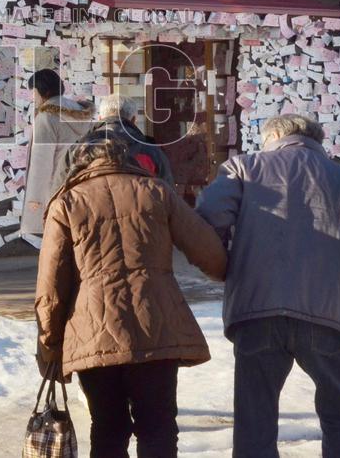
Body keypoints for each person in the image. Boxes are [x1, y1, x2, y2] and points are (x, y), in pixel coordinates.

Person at [196, 114, 340, 458]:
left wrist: (224, 270)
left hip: (257, 312)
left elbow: (207, 221)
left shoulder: (244, 169)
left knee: (255, 422)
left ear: (276, 135)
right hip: (332, 315)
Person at [35, 137, 227, 458]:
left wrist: (49, 346)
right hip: (156, 324)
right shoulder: (156, 192)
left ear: (79, 165)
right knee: (159, 425)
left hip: (94, 330)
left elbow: (50, 287)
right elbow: (208, 250)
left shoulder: (67, 203)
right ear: (126, 159)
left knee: (108, 427)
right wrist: (228, 271)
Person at [22, 68, 93, 234]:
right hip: (84, 185)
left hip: (56, 189)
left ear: (43, 92)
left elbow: (41, 163)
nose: (33, 98)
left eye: (34, 92)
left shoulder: (46, 117)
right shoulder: (83, 113)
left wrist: (35, 201)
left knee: (57, 242)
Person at [68, 93, 175, 185]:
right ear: (134, 120)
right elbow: (169, 197)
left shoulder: (78, 150)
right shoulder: (152, 152)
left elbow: (61, 192)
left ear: (100, 118)